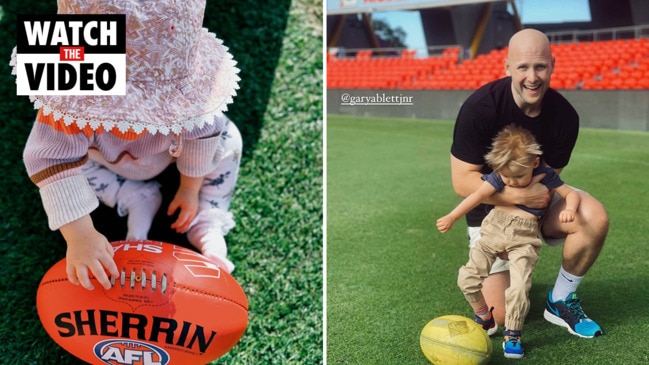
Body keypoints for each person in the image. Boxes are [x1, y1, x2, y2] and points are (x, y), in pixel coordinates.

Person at [14, 0, 242, 291]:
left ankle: (207, 218)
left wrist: (190, 189)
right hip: (103, 161)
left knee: (228, 140)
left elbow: (206, 133)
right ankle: (134, 195)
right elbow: (51, 161)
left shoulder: (192, 97)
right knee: (67, 172)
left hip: (171, 154)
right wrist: (80, 236)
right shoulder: (71, 99)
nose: (132, 118)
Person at [449, 28, 608, 339]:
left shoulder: (564, 117)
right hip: (488, 213)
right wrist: (507, 222)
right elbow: (462, 181)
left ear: (552, 65)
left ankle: (560, 299)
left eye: (540, 66)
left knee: (593, 216)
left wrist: (523, 225)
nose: (532, 77)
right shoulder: (479, 108)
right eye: (523, 67)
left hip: (535, 207)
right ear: (508, 67)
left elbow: (549, 181)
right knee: (500, 318)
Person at [438, 125, 581, 358]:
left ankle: (513, 334)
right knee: (467, 278)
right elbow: (477, 195)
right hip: (493, 230)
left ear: (534, 163)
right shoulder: (498, 175)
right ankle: (484, 316)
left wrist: (571, 209)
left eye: (519, 177)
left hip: (524, 239)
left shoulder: (545, 174)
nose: (512, 182)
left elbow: (570, 194)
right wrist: (452, 216)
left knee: (519, 288)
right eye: (507, 177)